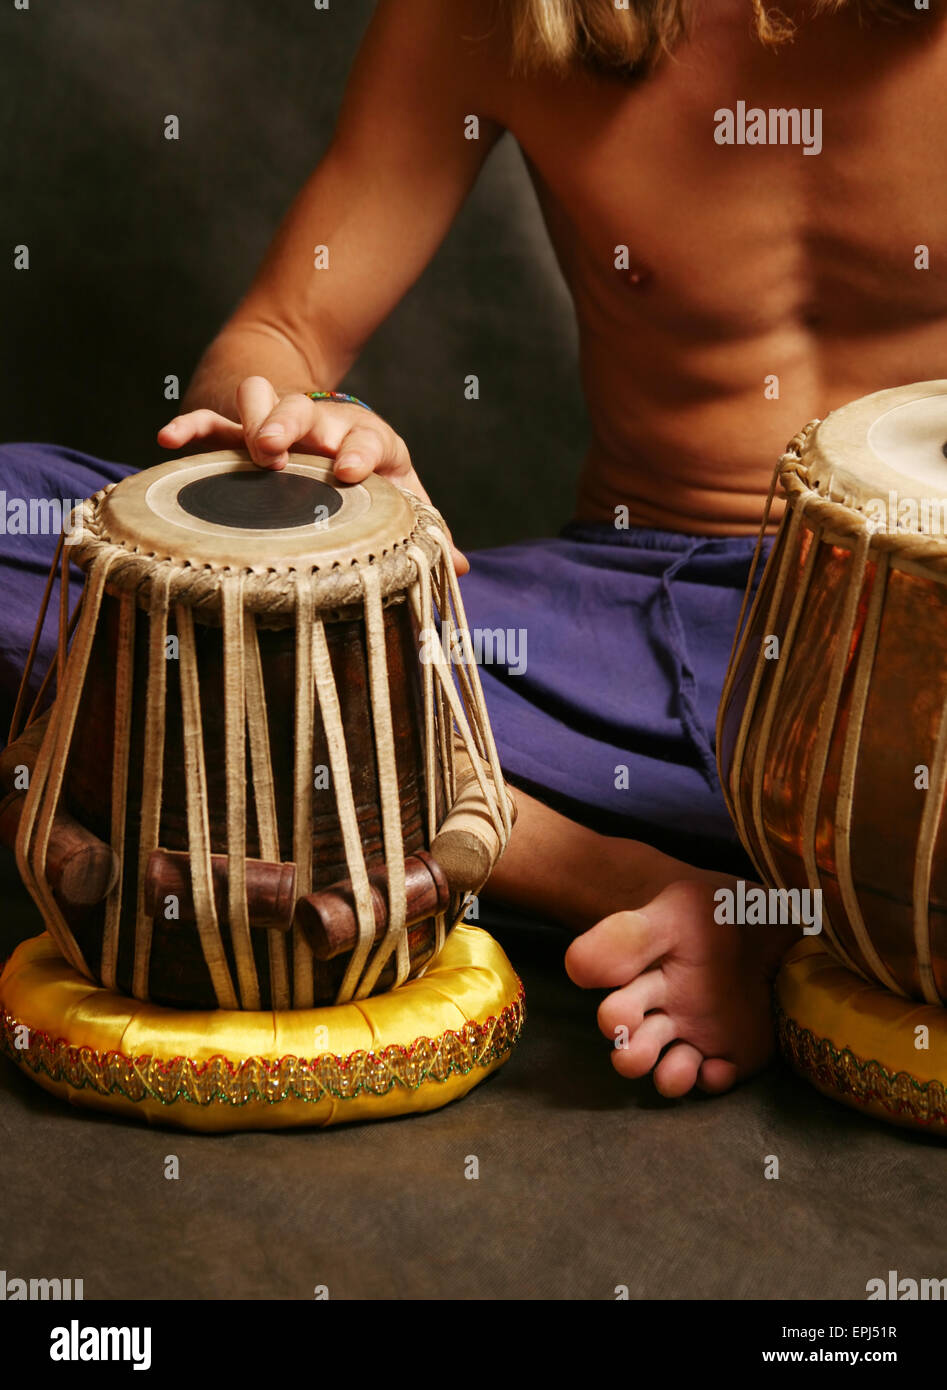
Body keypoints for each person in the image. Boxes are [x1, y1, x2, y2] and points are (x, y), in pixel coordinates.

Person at [5, 0, 942, 1097]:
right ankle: (662, 888)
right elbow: (281, 333)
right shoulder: (505, 12)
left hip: (907, 655)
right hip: (607, 631)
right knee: (28, 519)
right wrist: (301, 439)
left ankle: (719, 892)